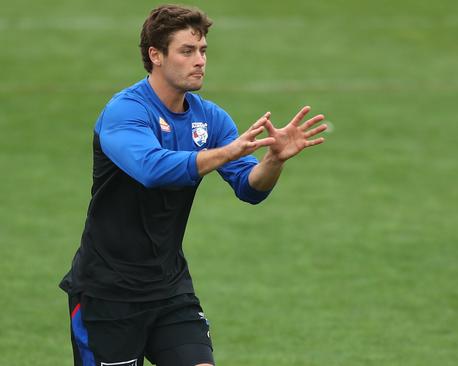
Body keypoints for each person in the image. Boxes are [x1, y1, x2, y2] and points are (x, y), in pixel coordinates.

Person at [59, 4, 327, 366]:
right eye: (187, 51)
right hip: (107, 293)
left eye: (202, 51)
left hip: (169, 288)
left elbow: (250, 188)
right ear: (156, 55)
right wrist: (224, 152)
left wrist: (273, 161)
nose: (199, 60)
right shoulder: (125, 112)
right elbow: (152, 169)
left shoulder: (209, 117)